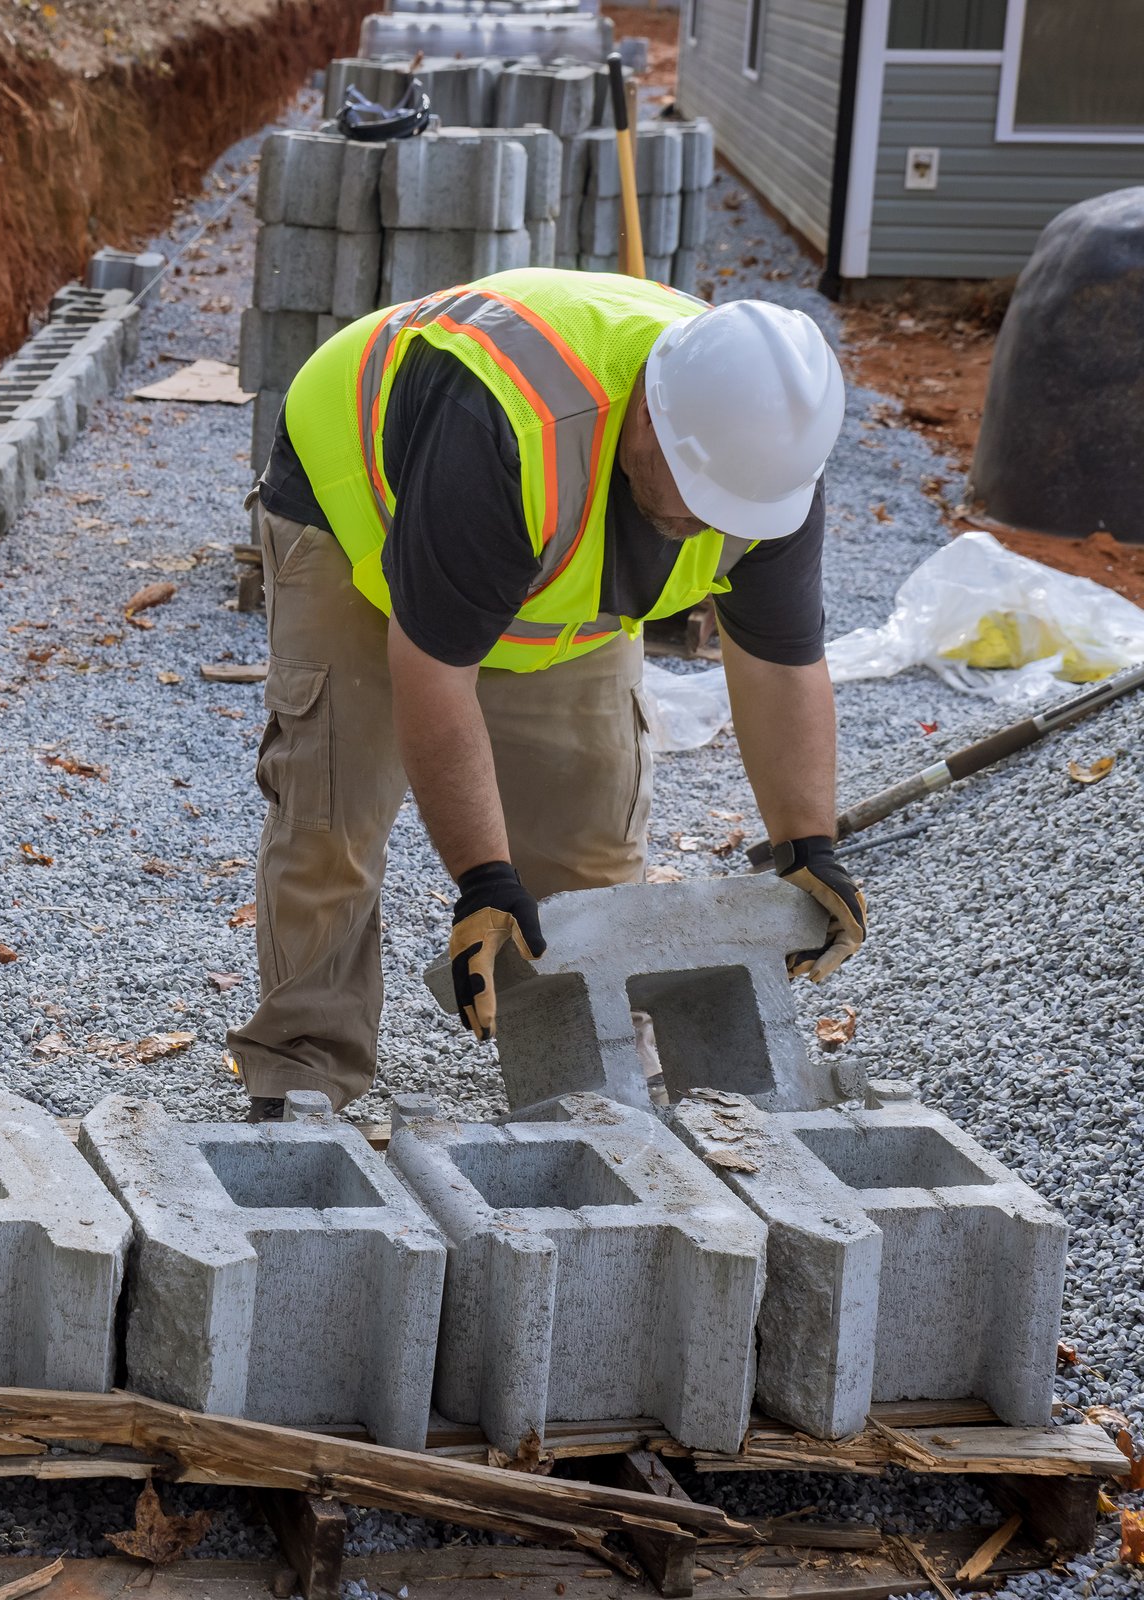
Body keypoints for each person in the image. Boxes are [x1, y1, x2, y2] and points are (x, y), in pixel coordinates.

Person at [224, 267, 869, 1120]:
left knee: (592, 846)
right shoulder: (510, 425)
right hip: (357, 511)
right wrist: (483, 880)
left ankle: (587, 1074)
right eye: (698, 497)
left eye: (733, 512)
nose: (711, 526)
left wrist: (807, 845)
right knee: (333, 812)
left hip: (551, 566)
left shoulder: (765, 470)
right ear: (648, 411)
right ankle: (303, 1071)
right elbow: (435, 670)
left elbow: (781, 662)